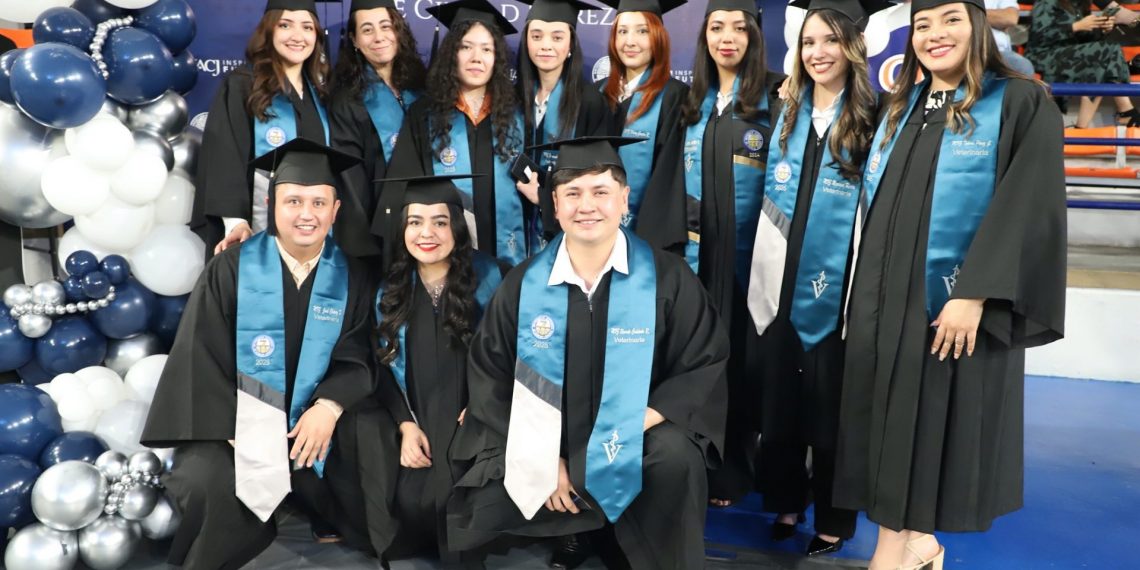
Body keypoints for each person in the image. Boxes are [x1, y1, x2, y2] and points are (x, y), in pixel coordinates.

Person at [832, 0, 1066, 568]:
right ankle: (915, 543)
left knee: (931, 421)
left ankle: (891, 553)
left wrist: (974, 292)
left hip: (951, 302)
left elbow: (1027, 204)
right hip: (885, 297)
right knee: (888, 420)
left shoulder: (1019, 101)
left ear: (979, 25)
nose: (935, 34)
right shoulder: (902, 106)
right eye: (922, 24)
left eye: (951, 19)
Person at [446, 136, 729, 569]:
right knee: (480, 482)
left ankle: (642, 548)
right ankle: (574, 532)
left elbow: (701, 362)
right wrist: (542, 457)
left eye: (600, 192)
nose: (587, 206)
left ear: (623, 199)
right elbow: (491, 376)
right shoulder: (523, 284)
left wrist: (625, 430)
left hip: (637, 432)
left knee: (676, 458)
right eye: (573, 194)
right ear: (555, 204)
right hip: (549, 435)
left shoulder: (667, 278)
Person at [141, 138, 386, 569]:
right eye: (293, 201)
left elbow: (359, 352)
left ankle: (326, 510)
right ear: (272, 205)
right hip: (238, 421)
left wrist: (328, 407)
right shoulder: (230, 268)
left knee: (371, 445)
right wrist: (239, 428)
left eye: (318, 202)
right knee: (204, 479)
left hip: (312, 422)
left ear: (336, 210)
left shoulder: (353, 276)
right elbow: (201, 356)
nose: (306, 214)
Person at [746, 0, 888, 557]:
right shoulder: (786, 110)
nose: (818, 52)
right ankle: (786, 499)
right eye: (808, 42)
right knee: (780, 401)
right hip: (778, 278)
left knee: (831, 410)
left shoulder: (875, 116)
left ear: (852, 47)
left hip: (838, 288)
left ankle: (833, 517)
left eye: (830, 40)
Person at [639, 0, 784, 506]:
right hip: (698, 258)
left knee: (744, 361)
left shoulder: (776, 97)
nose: (727, 38)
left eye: (739, 28)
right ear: (704, 36)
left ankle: (738, 467)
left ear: (754, 36)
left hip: (751, 260)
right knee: (696, 356)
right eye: (717, 27)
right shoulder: (690, 102)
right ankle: (699, 460)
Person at [374, 0, 528, 267]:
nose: (476, 57)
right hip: (442, 260)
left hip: (507, 257)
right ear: (451, 54)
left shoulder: (515, 116)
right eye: (466, 47)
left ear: (497, 59)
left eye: (486, 49)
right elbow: (401, 192)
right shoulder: (425, 115)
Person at [192, 0, 340, 258]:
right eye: (285, 25)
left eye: (307, 27)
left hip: (312, 233)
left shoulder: (321, 94)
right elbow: (225, 154)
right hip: (253, 229)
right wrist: (235, 222)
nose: (298, 36)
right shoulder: (243, 84)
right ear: (269, 30)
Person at [329, 0, 427, 264]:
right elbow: (350, 181)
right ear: (354, 40)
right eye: (367, 30)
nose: (379, 37)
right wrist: (367, 244)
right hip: (379, 232)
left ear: (398, 31)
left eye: (386, 26)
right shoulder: (347, 100)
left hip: (428, 224)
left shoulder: (421, 87)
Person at [516, 0, 612, 245]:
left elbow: (596, 177)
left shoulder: (590, 102)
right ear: (526, 41)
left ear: (570, 45)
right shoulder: (512, 99)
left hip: (571, 232)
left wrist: (544, 199)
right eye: (536, 36)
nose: (546, 45)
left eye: (557, 37)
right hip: (516, 227)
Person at [594, 0, 689, 230]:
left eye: (642, 31)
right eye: (622, 32)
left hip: (648, 226)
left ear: (658, 37)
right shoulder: (597, 93)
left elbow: (669, 175)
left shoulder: (675, 96)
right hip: (596, 224)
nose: (630, 41)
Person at [1026, 0, 1139, 127]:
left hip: (1070, 54)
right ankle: (1125, 111)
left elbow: (1085, 41)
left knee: (1107, 52)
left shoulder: (1080, 4)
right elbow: (1038, 35)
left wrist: (1101, 29)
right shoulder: (1047, 2)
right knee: (1106, 52)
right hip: (1043, 55)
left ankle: (1083, 127)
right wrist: (1075, 26)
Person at [982, 0, 1034, 76]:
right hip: (968, 49)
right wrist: (994, 17)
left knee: (1022, 66)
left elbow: (1010, 17)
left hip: (998, 51)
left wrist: (973, 13)